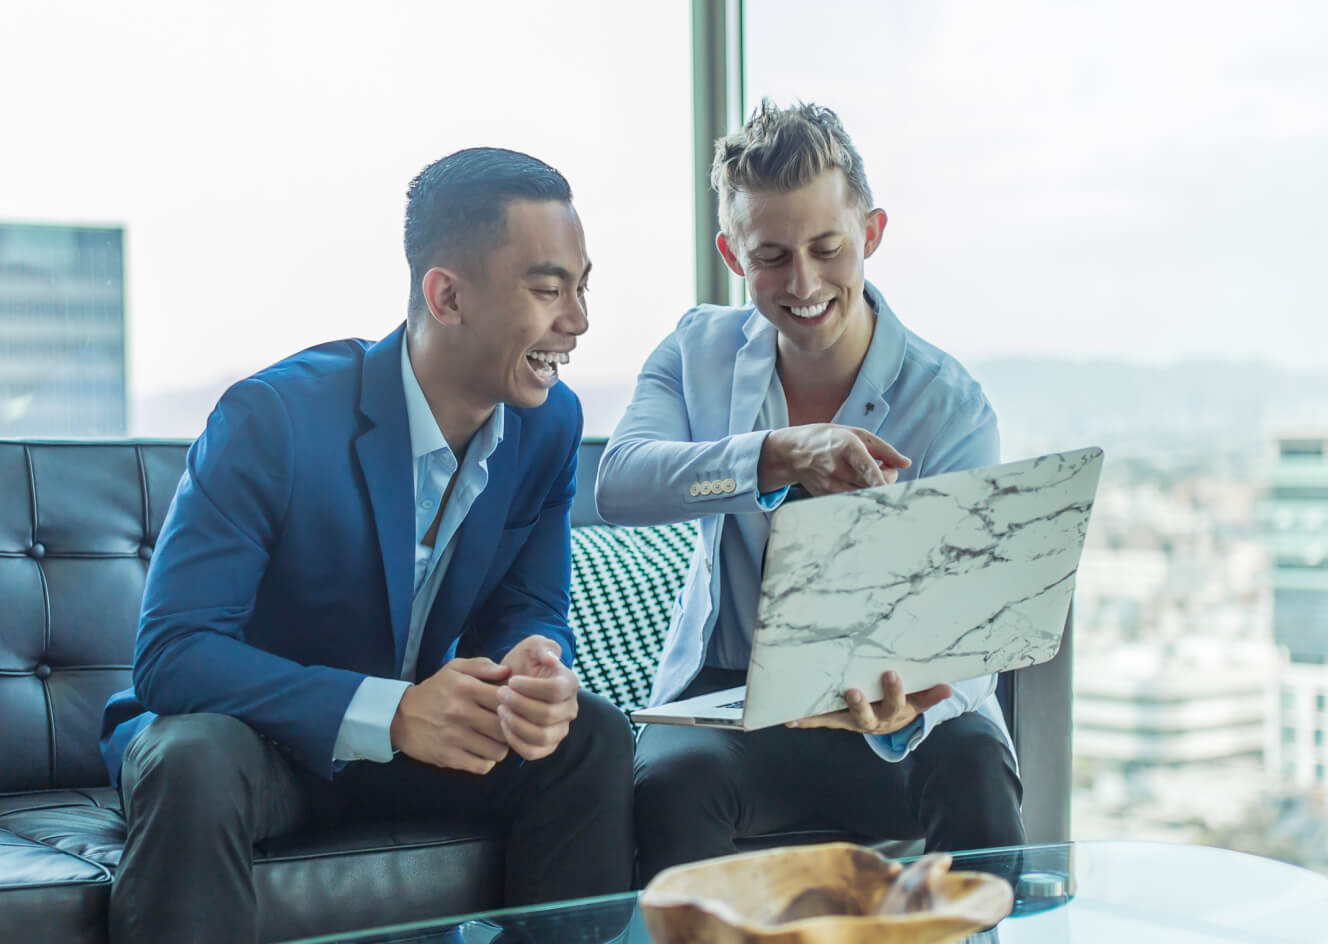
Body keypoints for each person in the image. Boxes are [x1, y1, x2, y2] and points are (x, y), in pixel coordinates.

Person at [100, 147, 634, 943]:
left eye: (583, 286)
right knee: (193, 758)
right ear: (446, 295)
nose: (579, 321)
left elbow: (531, 606)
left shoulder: (548, 422)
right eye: (549, 288)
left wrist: (535, 666)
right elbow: (174, 654)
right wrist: (391, 714)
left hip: (416, 743)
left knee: (588, 733)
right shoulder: (272, 419)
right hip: (259, 745)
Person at [596, 100, 1025, 882]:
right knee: (669, 783)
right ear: (732, 254)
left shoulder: (950, 404)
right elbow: (620, 483)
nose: (803, 282)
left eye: (828, 247)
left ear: (872, 233)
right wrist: (776, 455)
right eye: (771, 256)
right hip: (732, 703)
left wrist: (915, 700)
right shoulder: (696, 352)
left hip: (892, 708)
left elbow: (973, 628)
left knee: (974, 763)